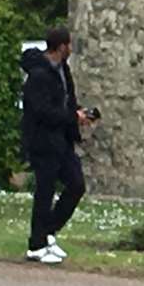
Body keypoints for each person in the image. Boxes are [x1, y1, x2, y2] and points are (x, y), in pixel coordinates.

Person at [20, 27, 93, 264]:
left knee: (76, 185)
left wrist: (79, 114)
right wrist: (72, 117)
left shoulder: (64, 71)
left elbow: (67, 101)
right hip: (43, 140)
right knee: (45, 191)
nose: (71, 49)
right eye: (69, 45)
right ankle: (36, 245)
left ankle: (47, 231)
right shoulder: (39, 75)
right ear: (61, 46)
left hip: (62, 139)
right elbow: (42, 111)